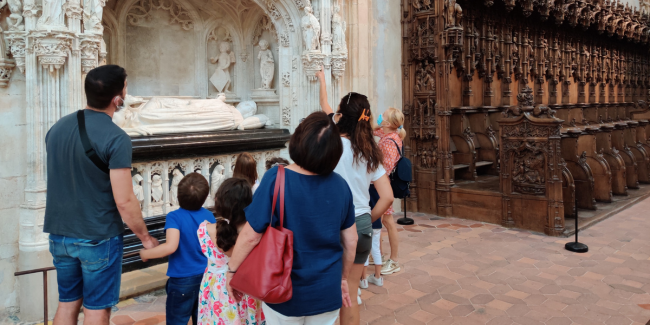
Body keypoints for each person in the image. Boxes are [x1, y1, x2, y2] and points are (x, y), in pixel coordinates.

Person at [44, 65, 159, 325]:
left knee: (68, 302)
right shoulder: (116, 138)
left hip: (60, 234)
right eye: (126, 88)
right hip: (97, 236)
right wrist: (145, 237)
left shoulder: (57, 127)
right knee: (97, 309)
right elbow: (124, 200)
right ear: (117, 100)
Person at [225, 112, 358, 325]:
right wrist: (342, 278)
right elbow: (351, 241)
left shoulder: (275, 179)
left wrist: (232, 269)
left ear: (299, 140)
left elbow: (251, 236)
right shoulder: (341, 186)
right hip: (326, 290)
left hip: (282, 289)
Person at [316, 68, 394, 325]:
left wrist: (321, 80)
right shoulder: (369, 150)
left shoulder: (331, 144)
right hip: (360, 225)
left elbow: (324, 106)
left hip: (332, 224)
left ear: (341, 116)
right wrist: (365, 217)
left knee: (324, 294)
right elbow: (387, 197)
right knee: (349, 294)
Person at [139, 173, 216, 325]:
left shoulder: (175, 217)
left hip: (183, 280)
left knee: (177, 320)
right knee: (201, 318)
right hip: (206, 277)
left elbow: (171, 246)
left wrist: (145, 253)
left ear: (177, 195)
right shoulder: (209, 216)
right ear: (205, 196)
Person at [197, 178, 265, 325]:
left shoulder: (204, 230)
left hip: (217, 292)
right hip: (246, 288)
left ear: (219, 201)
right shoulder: (254, 235)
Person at [375, 107, 406, 275]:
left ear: (388, 122)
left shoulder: (388, 141)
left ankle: (394, 261)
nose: (380, 117)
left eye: (383, 116)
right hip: (381, 187)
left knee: (387, 222)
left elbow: (384, 170)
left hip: (383, 187)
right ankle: (377, 254)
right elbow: (372, 129)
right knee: (379, 222)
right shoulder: (388, 135)